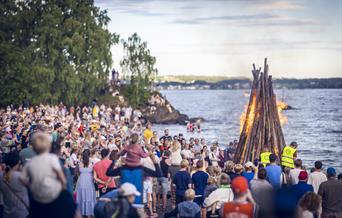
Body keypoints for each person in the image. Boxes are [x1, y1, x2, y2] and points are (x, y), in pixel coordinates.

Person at [20, 131, 79, 218]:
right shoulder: (52, 158)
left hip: (38, 197)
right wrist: (63, 187)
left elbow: (22, 178)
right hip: (53, 195)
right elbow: (61, 176)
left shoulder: (31, 162)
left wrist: (31, 186)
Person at [0, 152, 29, 218]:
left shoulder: (1, 176)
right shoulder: (21, 176)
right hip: (22, 212)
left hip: (7, 213)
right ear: (17, 163)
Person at [76, 151, 96, 217]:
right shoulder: (91, 163)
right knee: (89, 196)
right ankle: (89, 214)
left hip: (81, 180)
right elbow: (93, 173)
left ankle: (82, 213)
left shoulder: (79, 164)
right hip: (89, 181)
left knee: (81, 196)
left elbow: (78, 173)